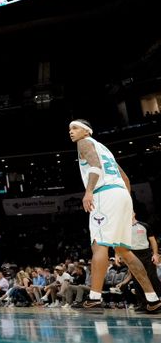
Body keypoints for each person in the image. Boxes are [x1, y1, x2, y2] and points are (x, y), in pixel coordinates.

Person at [69, 119, 161, 312]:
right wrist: (127, 206)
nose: (71, 132)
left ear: (87, 131)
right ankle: (153, 299)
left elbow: (95, 166)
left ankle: (94, 298)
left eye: (75, 128)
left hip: (104, 194)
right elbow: (125, 178)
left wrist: (89, 191)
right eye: (70, 129)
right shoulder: (105, 149)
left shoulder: (84, 142)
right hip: (121, 194)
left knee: (99, 245)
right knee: (124, 251)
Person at [123, 213, 161, 312]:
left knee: (152, 277)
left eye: (130, 211)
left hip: (146, 254)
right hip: (132, 253)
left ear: (134, 214)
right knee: (136, 279)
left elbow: (152, 241)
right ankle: (143, 304)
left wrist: (155, 254)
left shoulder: (144, 225)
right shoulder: (123, 227)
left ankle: (156, 301)